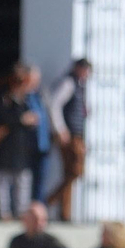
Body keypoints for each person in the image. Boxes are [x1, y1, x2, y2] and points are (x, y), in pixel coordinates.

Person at [0, 65, 40, 221]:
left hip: (22, 149)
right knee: (2, 182)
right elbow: (2, 117)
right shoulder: (3, 98)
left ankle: (22, 214)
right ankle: (3, 213)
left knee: (23, 183)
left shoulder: (27, 100)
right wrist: (21, 120)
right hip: (4, 148)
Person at [45, 59, 92, 221]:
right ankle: (49, 201)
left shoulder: (80, 86)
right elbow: (54, 104)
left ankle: (64, 213)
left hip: (77, 135)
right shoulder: (69, 83)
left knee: (70, 174)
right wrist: (60, 129)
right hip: (69, 135)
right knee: (75, 171)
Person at [24, 66, 54, 203]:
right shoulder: (22, 97)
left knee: (41, 180)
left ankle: (39, 207)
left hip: (43, 144)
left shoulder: (41, 96)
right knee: (24, 180)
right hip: (28, 145)